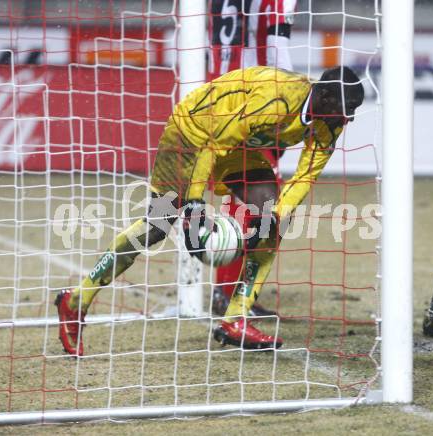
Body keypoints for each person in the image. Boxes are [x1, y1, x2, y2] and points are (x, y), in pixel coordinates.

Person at [56, 65, 364, 356]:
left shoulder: (330, 122)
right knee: (157, 226)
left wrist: (276, 215)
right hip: (190, 135)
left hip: (235, 148)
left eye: (352, 112)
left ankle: (236, 318)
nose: (348, 119)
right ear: (323, 97)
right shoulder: (277, 98)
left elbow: (306, 175)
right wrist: (194, 205)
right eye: (345, 110)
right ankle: (77, 299)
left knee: (274, 219)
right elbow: (212, 144)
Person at [209, 0, 297, 315]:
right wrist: (288, 103)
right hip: (256, 98)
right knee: (263, 201)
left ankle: (225, 288)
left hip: (218, 91)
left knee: (238, 191)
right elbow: (276, 43)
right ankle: (234, 294)